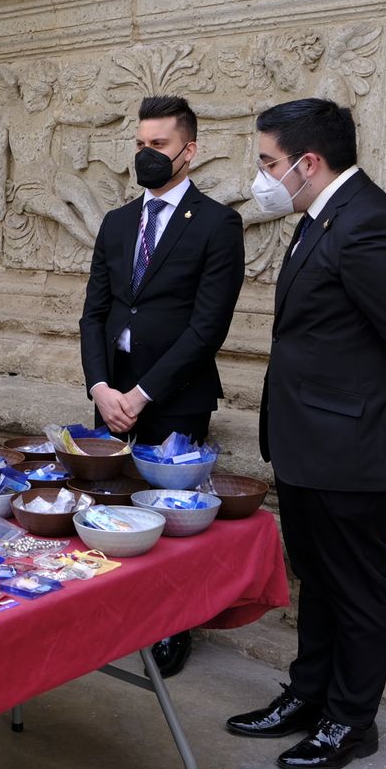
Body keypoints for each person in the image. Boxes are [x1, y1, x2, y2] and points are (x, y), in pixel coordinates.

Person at [226, 98, 386, 769]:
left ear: (309, 162)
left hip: (352, 447)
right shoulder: (318, 216)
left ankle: (350, 722)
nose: (262, 176)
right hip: (308, 441)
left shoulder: (371, 227)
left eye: (269, 162)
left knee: (355, 588)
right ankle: (307, 696)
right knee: (317, 579)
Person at [78, 95, 244, 677]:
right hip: (111, 396)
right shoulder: (118, 222)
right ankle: (115, 612)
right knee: (112, 508)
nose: (147, 155)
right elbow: (94, 312)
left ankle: (173, 627)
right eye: (141, 145)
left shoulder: (219, 225)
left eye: (160, 146)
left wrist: (142, 395)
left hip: (174, 398)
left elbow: (207, 328)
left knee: (171, 519)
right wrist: (100, 386)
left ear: (188, 151)